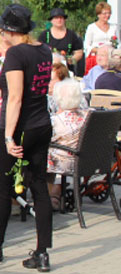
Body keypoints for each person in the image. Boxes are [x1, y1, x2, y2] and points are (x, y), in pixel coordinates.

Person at [0, 4, 53, 272]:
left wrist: (9, 137)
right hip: (41, 124)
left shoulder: (15, 54)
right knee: (39, 187)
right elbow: (31, 89)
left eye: (2, 30)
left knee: (2, 188)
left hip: (19, 127)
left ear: (9, 31)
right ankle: (42, 252)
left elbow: (16, 97)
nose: (0, 34)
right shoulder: (43, 50)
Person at [47, 80, 86, 211]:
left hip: (66, 162)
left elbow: (45, 139)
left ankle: (43, 197)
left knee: (36, 154)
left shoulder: (56, 121)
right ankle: (53, 194)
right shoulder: (89, 115)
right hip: (87, 160)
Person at [38, 7, 83, 72]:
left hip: (67, 70)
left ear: (64, 20)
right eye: (56, 18)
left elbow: (79, 52)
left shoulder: (72, 35)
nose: (59, 20)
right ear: (51, 20)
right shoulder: (44, 35)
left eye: (61, 18)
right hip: (48, 69)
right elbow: (38, 52)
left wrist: (71, 60)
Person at [83, 2, 116, 72]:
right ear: (98, 14)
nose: (107, 15)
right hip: (96, 58)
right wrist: (99, 50)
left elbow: (118, 43)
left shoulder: (114, 27)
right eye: (105, 13)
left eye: (109, 13)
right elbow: (86, 45)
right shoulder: (91, 27)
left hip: (111, 58)